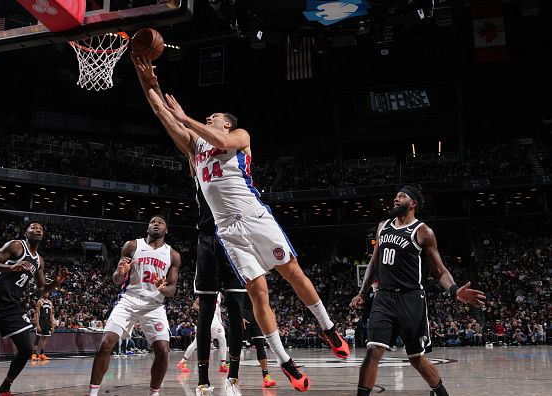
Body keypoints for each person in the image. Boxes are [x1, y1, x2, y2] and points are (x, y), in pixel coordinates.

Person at [133, 57, 349, 392]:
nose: (209, 118)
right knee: (257, 294)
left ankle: (327, 326)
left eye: (214, 117)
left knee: (292, 272)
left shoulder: (240, 137)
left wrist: (186, 117)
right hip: (228, 231)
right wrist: (147, 78)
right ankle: (284, 362)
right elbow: (162, 112)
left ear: (228, 124)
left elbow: (219, 141)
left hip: (254, 216)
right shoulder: (194, 147)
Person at [350, 186, 486, 396]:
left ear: (412, 203)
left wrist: (454, 290)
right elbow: (374, 263)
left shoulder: (423, 231)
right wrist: (362, 292)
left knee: (416, 358)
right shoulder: (382, 226)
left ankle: (441, 393)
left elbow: (439, 270)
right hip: (384, 297)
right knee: (372, 351)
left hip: (411, 298)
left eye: (401, 197)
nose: (396, 200)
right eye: (395, 197)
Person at [0, 221, 69, 396]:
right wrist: (9, 267)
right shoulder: (16, 246)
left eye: (40, 229)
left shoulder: (39, 260)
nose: (37, 230)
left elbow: (41, 289)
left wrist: (55, 283)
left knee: (26, 349)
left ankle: (4, 389)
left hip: (11, 307)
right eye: (33, 227)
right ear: (26, 232)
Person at [88, 215, 180, 396]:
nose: (156, 224)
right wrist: (121, 273)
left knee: (163, 350)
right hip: (129, 299)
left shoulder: (173, 255)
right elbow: (116, 279)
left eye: (160, 223)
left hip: (154, 304)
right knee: (106, 343)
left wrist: (163, 288)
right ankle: (92, 393)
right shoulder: (132, 245)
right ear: (147, 227)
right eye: (153, 221)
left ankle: (154, 392)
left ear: (166, 230)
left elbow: (172, 290)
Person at [176, 294, 228, 374]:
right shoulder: (206, 292)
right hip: (209, 319)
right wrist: (205, 311)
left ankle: (182, 361)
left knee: (196, 343)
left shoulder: (219, 294)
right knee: (222, 341)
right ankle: (223, 365)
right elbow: (194, 305)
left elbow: (218, 309)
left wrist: (220, 321)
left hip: (214, 320)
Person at [242, 294, 277, 388]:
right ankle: (232, 377)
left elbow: (266, 300)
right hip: (243, 313)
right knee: (236, 346)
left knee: (260, 344)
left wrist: (270, 317)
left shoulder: (260, 280)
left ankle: (266, 377)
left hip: (257, 313)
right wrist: (238, 315)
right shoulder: (239, 280)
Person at [32, 292, 54, 361]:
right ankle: (34, 354)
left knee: (45, 338)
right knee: (38, 337)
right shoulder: (40, 301)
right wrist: (37, 324)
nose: (46, 293)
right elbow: (37, 313)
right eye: (45, 292)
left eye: (48, 292)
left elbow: (51, 315)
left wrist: (52, 325)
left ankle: (42, 354)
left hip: (47, 321)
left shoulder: (50, 302)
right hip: (41, 320)